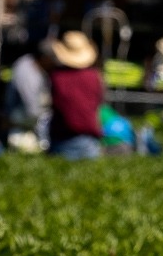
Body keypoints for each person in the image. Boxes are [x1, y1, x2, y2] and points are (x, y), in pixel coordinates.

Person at [46, 31, 106, 160]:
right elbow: (99, 101)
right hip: (89, 139)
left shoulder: (57, 77)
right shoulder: (95, 76)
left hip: (63, 138)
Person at [6, 47, 49, 151]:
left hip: (26, 121)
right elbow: (32, 110)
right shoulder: (27, 72)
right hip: (22, 123)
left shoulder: (29, 64)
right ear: (44, 58)